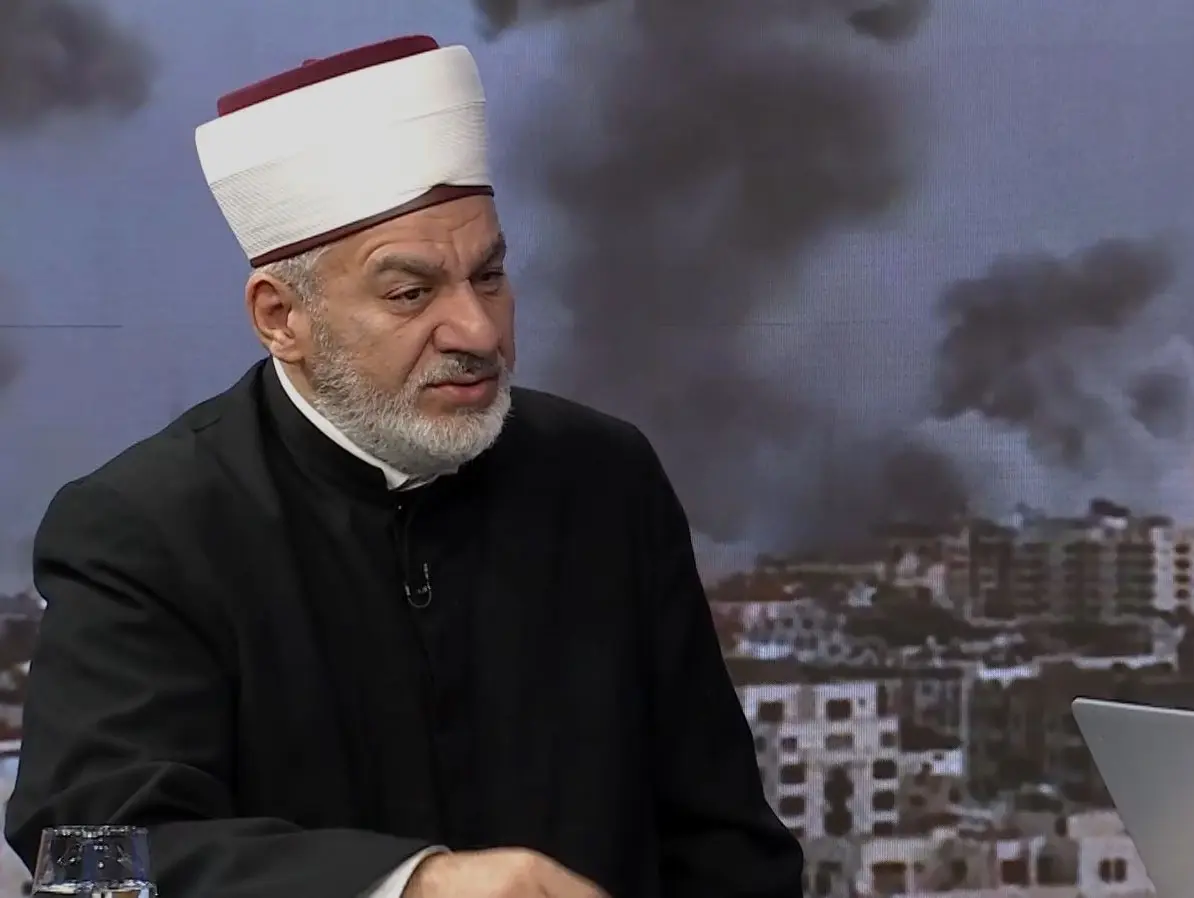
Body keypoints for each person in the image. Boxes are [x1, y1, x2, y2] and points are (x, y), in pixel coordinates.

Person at [5, 34, 803, 898]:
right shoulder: (146, 529)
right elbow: (98, 846)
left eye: (489, 277)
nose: (479, 332)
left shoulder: (603, 477)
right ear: (281, 318)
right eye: (410, 293)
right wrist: (410, 885)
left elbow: (725, 847)